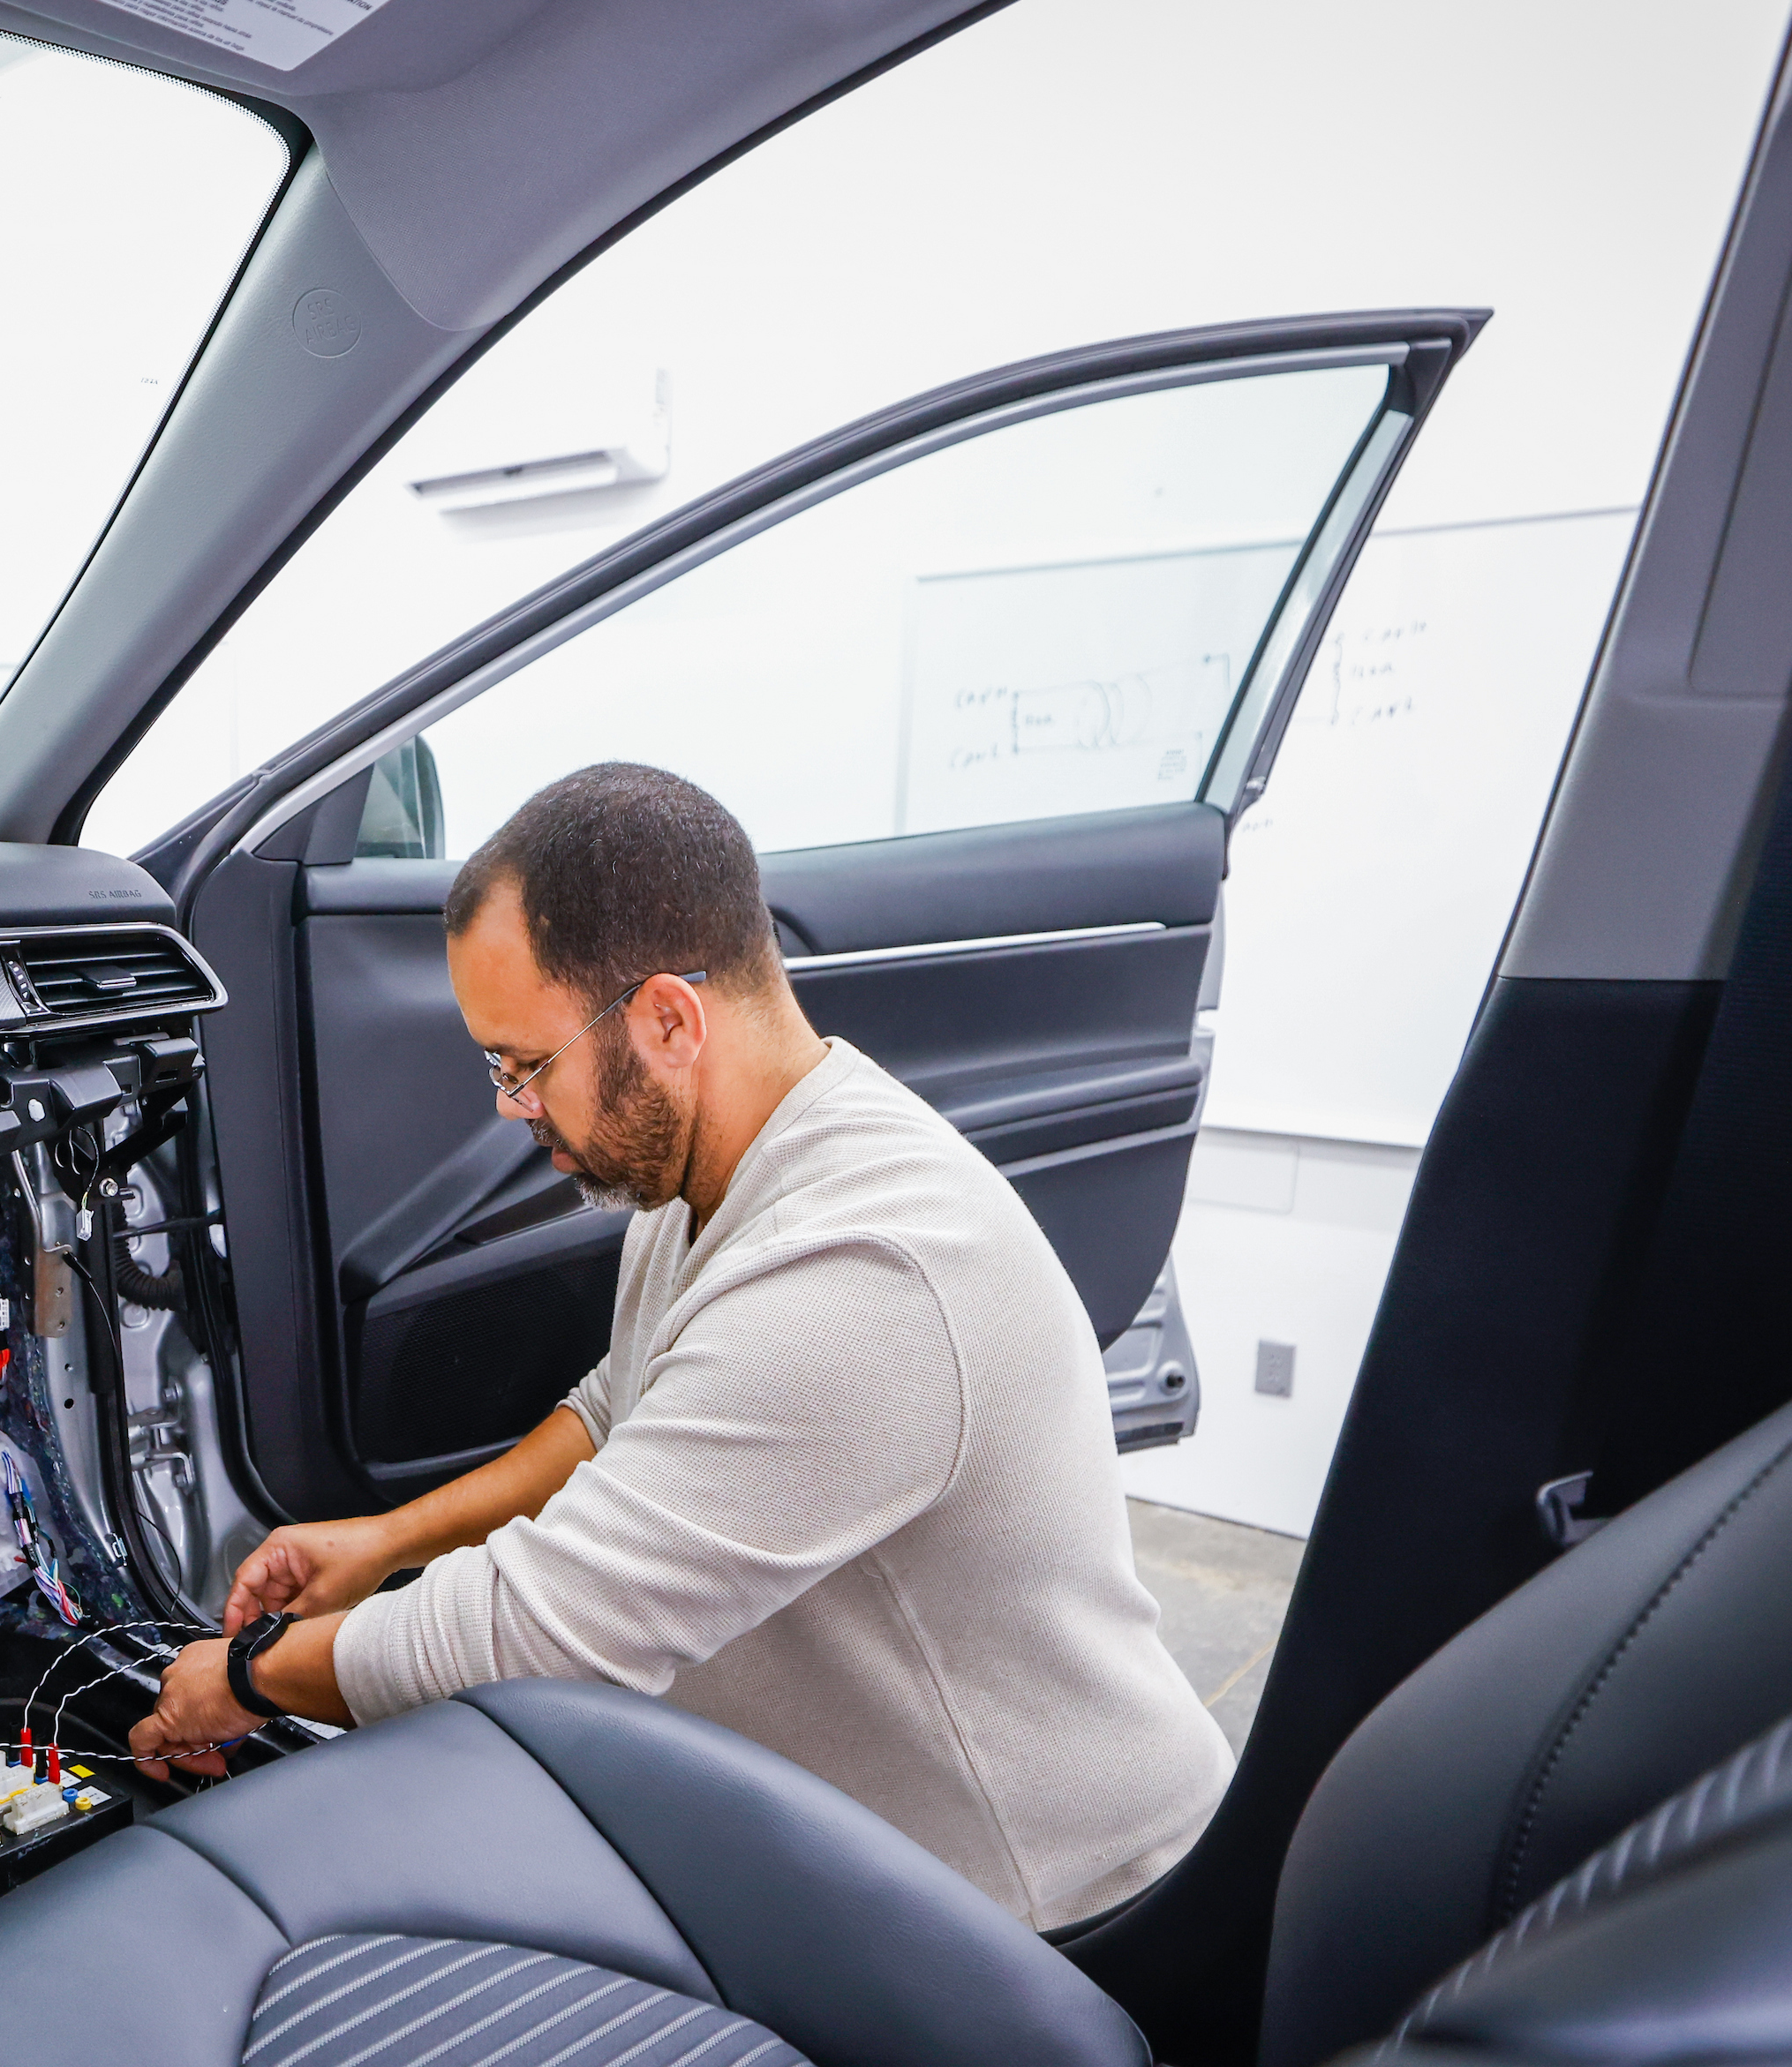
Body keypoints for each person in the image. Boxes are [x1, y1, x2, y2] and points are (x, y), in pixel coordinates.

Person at [129, 762, 1234, 1928]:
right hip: (893, 1869)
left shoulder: (861, 1273)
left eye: (525, 1063)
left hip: (1064, 1917)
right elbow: (625, 1407)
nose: (507, 1105)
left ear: (668, 1017)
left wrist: (244, 1678)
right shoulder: (713, 1174)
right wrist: (387, 1538)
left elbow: (535, 1634)